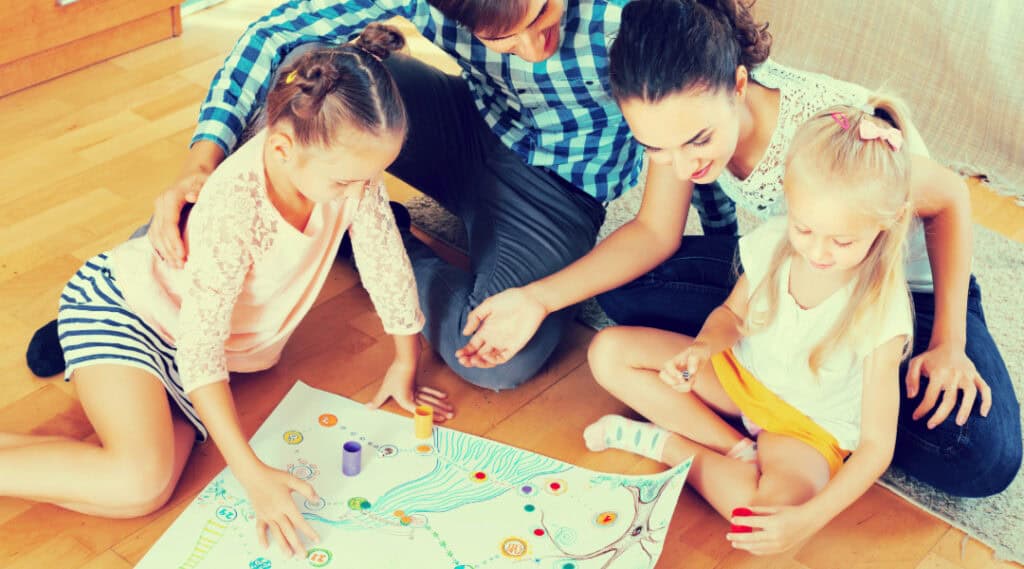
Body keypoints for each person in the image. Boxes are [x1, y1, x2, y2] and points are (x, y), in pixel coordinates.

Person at [456, 0, 1019, 497]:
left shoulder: (826, 135)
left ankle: (819, 410)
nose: (683, 165)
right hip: (788, 277)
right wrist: (536, 299)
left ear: (741, 86)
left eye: (697, 141)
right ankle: (754, 426)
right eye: (656, 148)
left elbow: (948, 197)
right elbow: (655, 232)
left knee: (982, 457)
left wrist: (949, 342)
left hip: (894, 292)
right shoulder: (682, 118)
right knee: (622, 292)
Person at [27, 0, 659, 390]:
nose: (534, 50)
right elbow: (274, 35)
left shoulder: (642, 14)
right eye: (502, 39)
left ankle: (367, 237)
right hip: (464, 120)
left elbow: (687, 157)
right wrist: (203, 160)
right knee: (308, 75)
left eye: (545, 16)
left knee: (497, 363)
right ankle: (137, 289)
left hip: (558, 184)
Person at [4, 27, 452, 557]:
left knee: (144, 490)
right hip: (131, 311)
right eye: (347, 182)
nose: (364, 191)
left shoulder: (348, 175)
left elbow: (384, 259)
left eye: (372, 176)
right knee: (139, 482)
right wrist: (253, 474)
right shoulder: (234, 207)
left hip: (196, 341)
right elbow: (199, 347)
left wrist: (406, 358)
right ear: (282, 147)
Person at [586, 105, 919, 554]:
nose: (817, 251)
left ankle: (666, 446)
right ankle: (735, 448)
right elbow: (732, 315)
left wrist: (807, 520)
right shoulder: (777, 241)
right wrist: (701, 349)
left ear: (889, 222)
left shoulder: (882, 307)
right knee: (607, 352)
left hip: (805, 431)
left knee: (757, 525)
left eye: (842, 241)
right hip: (739, 377)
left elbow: (878, 446)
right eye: (805, 228)